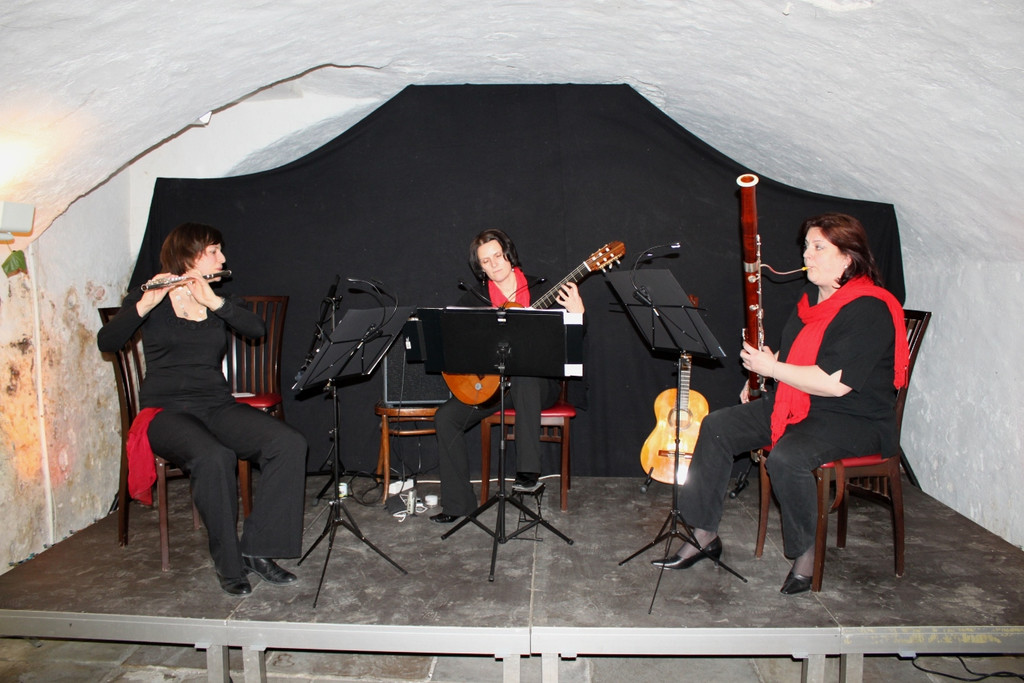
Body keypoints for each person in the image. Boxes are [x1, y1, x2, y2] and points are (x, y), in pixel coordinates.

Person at [651, 213, 909, 595]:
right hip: (802, 403)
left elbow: (836, 383)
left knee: (787, 458)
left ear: (848, 257)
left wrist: (773, 368)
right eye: (806, 246)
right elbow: (796, 358)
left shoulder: (870, 308)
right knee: (718, 427)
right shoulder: (810, 301)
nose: (807, 255)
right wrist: (764, 374)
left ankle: (806, 554)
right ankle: (703, 535)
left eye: (819, 247)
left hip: (855, 418)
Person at [98, 222, 308, 596]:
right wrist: (145, 304)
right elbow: (108, 341)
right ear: (191, 255)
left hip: (215, 405)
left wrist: (214, 302)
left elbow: (257, 329)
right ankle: (229, 564)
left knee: (288, 444)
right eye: (214, 250)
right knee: (214, 456)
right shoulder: (149, 298)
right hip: (164, 412)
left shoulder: (216, 299)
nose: (222, 258)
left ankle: (258, 551)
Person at [429, 228, 585, 523]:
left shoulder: (541, 290)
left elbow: (570, 346)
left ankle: (527, 472)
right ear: (480, 268)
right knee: (446, 417)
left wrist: (577, 315)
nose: (494, 264)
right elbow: (453, 345)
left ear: (509, 255)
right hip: (496, 387)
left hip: (539, 384)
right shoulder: (474, 300)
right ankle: (458, 504)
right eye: (486, 261)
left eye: (498, 256)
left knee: (524, 373)